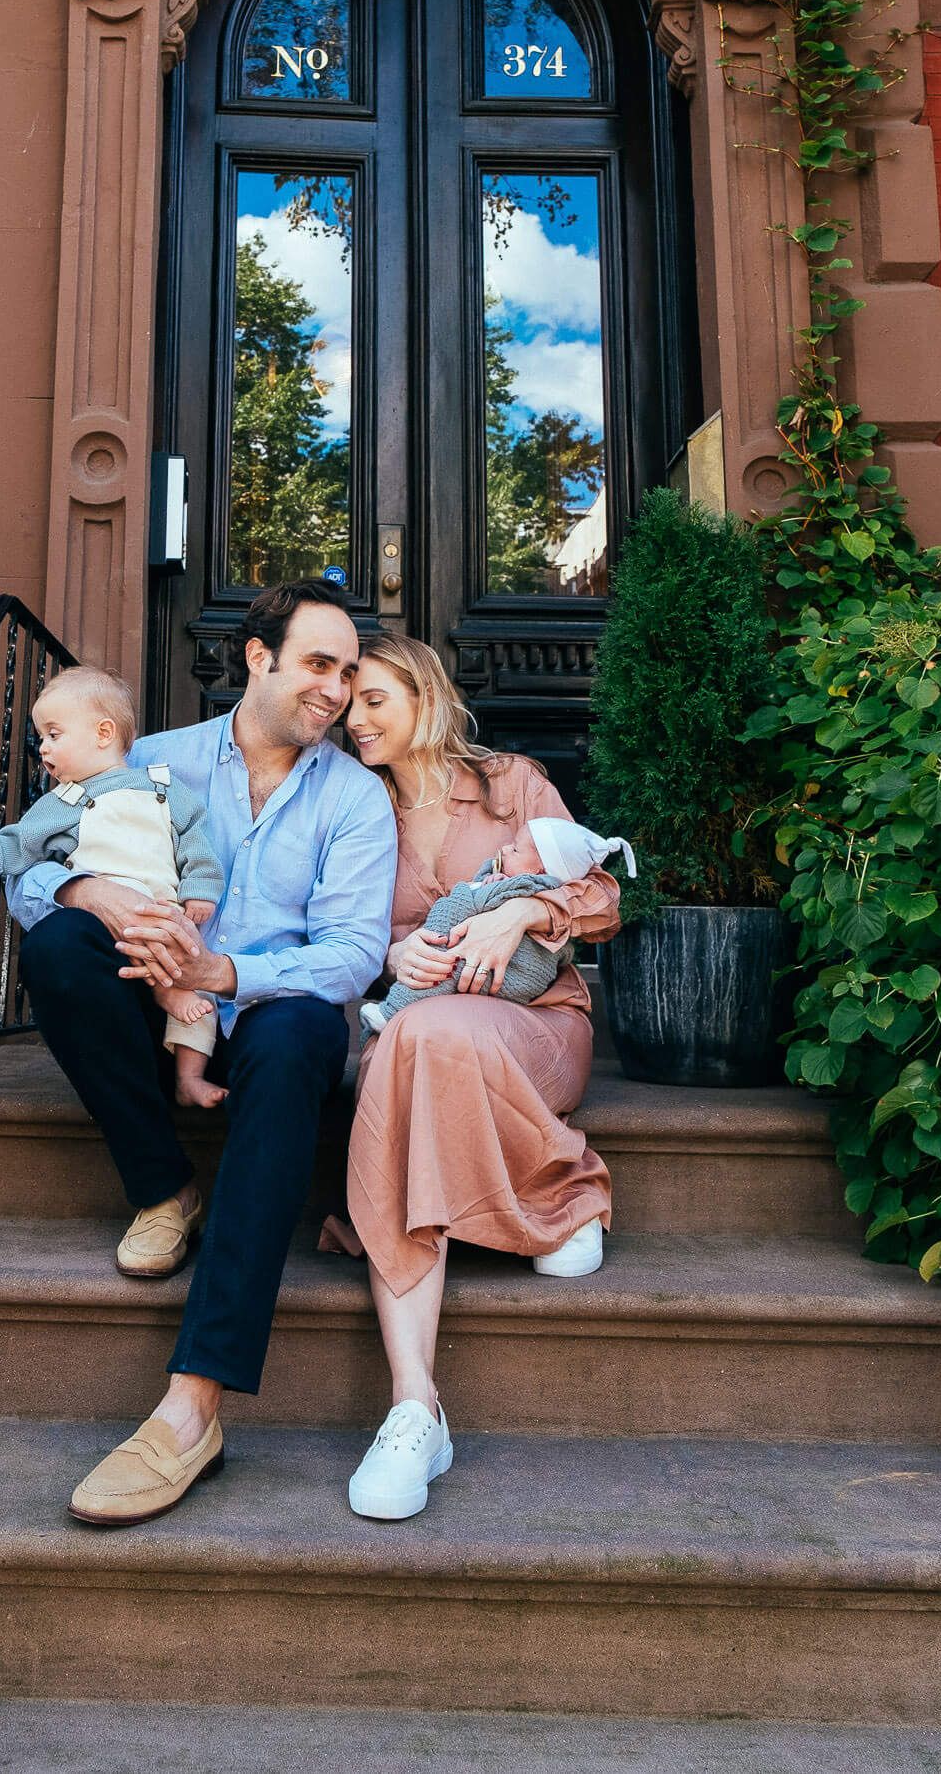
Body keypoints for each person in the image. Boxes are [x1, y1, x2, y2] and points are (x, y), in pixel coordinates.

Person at [10, 579, 398, 1526]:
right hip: (154, 1016)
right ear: (259, 658)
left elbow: (352, 954)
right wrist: (89, 893)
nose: (337, 690)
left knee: (302, 1025)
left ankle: (194, 1406)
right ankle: (163, 1188)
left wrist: (226, 972)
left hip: (268, 1020)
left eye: (348, 672)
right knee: (59, 945)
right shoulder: (153, 760)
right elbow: (30, 868)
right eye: (318, 664)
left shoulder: (356, 798)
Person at [339, 633, 621, 1522]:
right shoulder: (352, 806)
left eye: (375, 700)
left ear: (425, 697)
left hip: (538, 1025)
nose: (355, 721)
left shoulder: (509, 784)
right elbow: (329, 933)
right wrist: (391, 955)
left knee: (417, 1043)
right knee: (414, 1041)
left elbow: (604, 898)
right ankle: (414, 1405)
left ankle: (555, 1189)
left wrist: (525, 912)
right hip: (417, 1030)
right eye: (348, 704)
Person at [0, 665, 229, 1109]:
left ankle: (188, 1078)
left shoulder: (163, 786)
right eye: (41, 736)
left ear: (104, 733)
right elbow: (20, 846)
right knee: (148, 978)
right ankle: (164, 994)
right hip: (104, 925)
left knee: (198, 991)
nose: (42, 747)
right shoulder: (61, 802)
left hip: (165, 912)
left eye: (53, 734)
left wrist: (201, 886)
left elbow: (195, 839)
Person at [357, 816, 636, 1040]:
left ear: (540, 870)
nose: (503, 850)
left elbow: (468, 901)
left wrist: (520, 910)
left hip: (513, 976)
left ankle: (391, 1012)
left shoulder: (530, 882)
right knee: (437, 972)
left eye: (515, 849)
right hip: (516, 981)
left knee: (445, 967)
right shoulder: (520, 880)